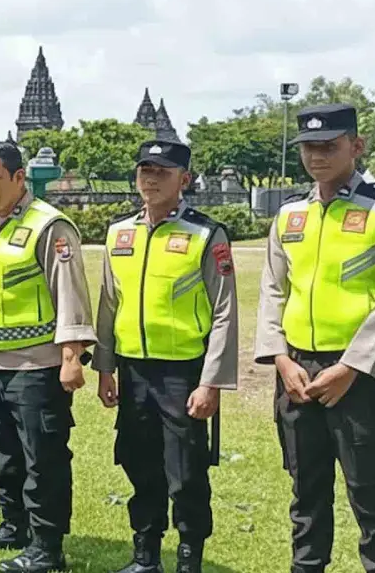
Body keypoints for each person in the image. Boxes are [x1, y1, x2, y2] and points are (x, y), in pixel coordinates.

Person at [255, 103, 375, 573]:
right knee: (305, 493)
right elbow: (271, 288)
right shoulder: (289, 215)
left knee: (370, 496)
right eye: (308, 146)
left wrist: (351, 367)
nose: (317, 156)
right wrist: (281, 359)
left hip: (358, 377)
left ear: (356, 146)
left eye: (329, 145)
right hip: (297, 373)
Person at [93, 141, 239, 573]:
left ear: (185, 179)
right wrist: (104, 368)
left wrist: (211, 381)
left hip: (183, 372)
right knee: (139, 463)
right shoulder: (119, 232)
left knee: (187, 470)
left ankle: (189, 556)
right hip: (132, 368)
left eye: (163, 171)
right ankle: (146, 553)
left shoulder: (206, 233)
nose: (151, 179)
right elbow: (108, 304)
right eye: (145, 170)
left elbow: (225, 309)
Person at [0, 142, 97, 573]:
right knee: (2, 450)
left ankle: (47, 547)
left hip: (38, 366)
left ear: (19, 178)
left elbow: (70, 292)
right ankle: (13, 524)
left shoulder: (50, 226)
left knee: (43, 457)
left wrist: (72, 356)